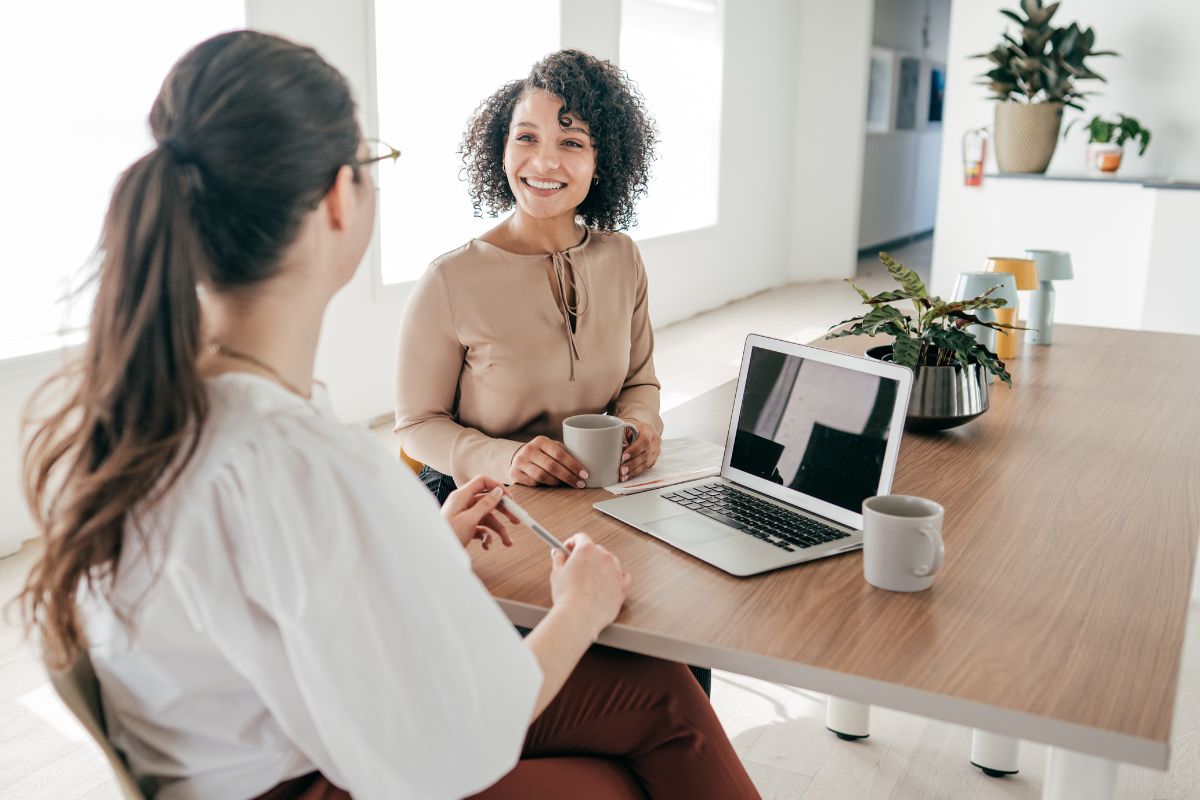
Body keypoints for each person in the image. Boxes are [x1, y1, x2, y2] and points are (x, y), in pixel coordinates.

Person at [19, 31, 758, 799]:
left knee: (660, 698)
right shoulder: (307, 458)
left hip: (275, 749)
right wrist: (581, 607)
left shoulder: (147, 412)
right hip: (325, 775)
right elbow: (456, 740)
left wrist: (425, 549)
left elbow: (283, 596)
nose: (544, 160)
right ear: (342, 197)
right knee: (649, 737)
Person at [395, 50, 664, 504]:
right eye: (526, 138)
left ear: (602, 163)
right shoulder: (450, 279)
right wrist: (506, 458)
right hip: (478, 500)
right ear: (502, 150)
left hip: (589, 492)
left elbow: (639, 381)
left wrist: (642, 426)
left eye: (571, 143)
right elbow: (417, 426)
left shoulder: (622, 258)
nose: (543, 163)